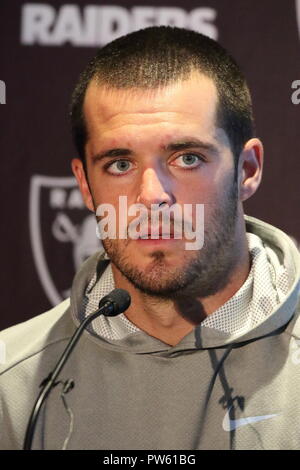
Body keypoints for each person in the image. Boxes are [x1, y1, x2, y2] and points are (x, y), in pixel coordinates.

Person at [0, 26, 299, 451]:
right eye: (119, 164)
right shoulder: (10, 381)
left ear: (247, 169)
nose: (151, 196)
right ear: (85, 185)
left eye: (187, 158)